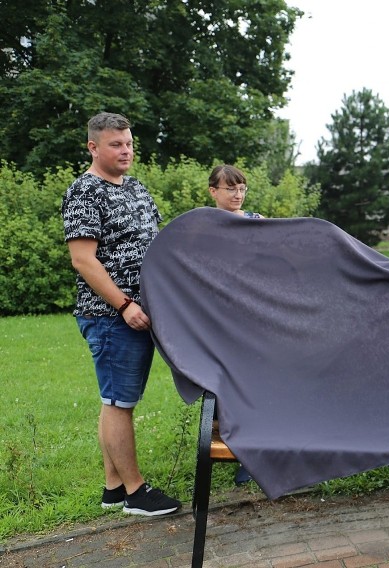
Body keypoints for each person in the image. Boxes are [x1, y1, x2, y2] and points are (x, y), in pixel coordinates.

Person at [62, 112, 181, 516]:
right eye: (116, 144)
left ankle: (113, 488)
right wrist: (125, 304)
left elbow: (159, 245)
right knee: (119, 403)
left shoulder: (136, 189)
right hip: (112, 316)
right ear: (93, 147)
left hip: (141, 312)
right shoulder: (84, 192)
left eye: (129, 142)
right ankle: (135, 493)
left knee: (113, 399)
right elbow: (84, 261)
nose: (126, 150)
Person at [208, 164, 262, 485]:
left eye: (242, 189)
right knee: (224, 384)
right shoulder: (201, 226)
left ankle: (254, 454)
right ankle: (231, 446)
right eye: (231, 189)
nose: (238, 195)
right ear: (214, 191)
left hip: (254, 317)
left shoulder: (257, 223)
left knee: (255, 382)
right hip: (219, 319)